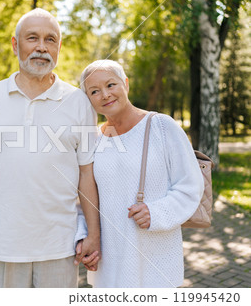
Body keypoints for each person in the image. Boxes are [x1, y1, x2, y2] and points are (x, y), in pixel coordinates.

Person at [0, 8, 100, 288]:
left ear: (59, 48)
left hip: (59, 244)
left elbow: (86, 173)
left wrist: (94, 233)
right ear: (16, 45)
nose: (42, 47)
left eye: (50, 40)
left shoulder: (79, 102)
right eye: (33, 38)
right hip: (1, 243)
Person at [77, 59, 204, 287]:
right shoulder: (93, 139)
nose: (105, 95)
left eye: (111, 85)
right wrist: (84, 237)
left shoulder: (162, 127)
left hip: (155, 259)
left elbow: (190, 185)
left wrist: (155, 212)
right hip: (109, 263)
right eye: (94, 91)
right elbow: (84, 198)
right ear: (87, 98)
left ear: (125, 83)